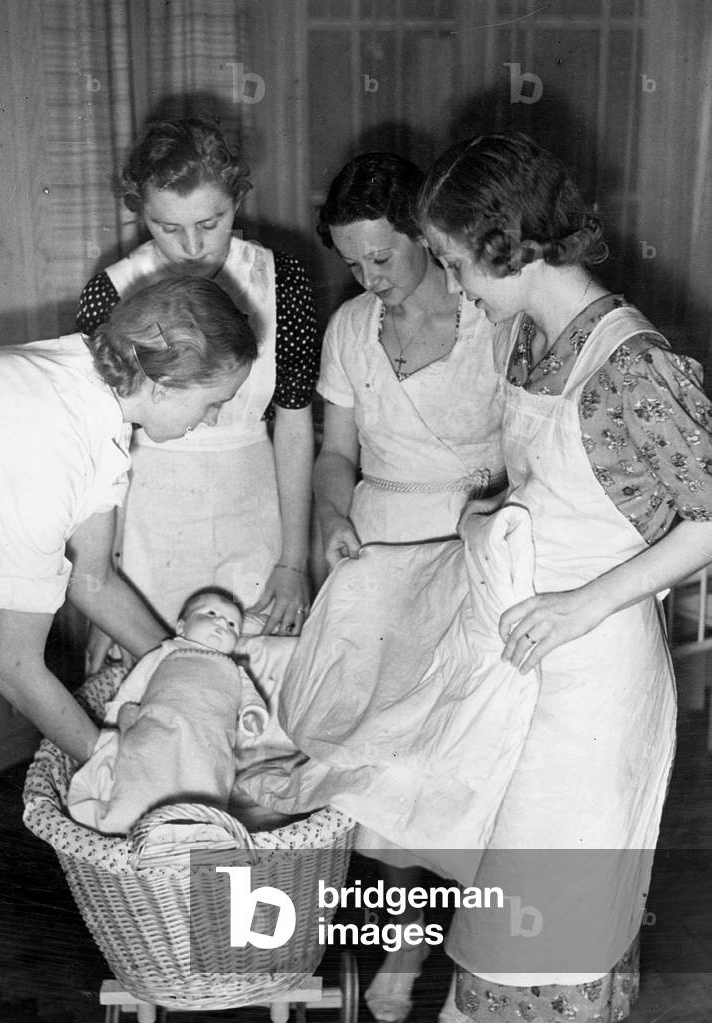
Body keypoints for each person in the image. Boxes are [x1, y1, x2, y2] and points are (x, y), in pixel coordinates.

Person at [415, 132, 712, 1021]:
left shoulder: (631, 363)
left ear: (509, 245)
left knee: (551, 918)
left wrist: (582, 602)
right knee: (502, 904)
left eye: (457, 262)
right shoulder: (532, 340)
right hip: (531, 661)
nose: (456, 285)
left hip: (593, 670)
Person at [0, 273, 258, 1023]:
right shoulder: (48, 434)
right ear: (165, 375)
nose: (212, 419)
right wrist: (119, 767)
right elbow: (16, 669)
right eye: (211, 402)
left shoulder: (94, 401)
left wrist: (194, 671)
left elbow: (92, 577)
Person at [313, 153, 506, 1023]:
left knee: (447, 762)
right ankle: (375, 942)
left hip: (470, 557)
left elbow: (532, 459)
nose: (369, 277)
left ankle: (410, 947)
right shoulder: (351, 327)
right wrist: (328, 516)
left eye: (382, 256)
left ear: (427, 237)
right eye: (353, 262)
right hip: (377, 557)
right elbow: (334, 454)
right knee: (369, 764)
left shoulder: (492, 324)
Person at [77, 116, 318, 653]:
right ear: (140, 212)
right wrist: (104, 594)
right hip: (147, 523)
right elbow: (102, 450)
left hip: (257, 509)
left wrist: (293, 561)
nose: (192, 246)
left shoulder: (284, 282)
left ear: (237, 198)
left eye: (212, 222)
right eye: (167, 227)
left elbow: (296, 425)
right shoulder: (109, 293)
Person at [68, 587, 269, 834]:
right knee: (142, 776)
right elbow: (131, 690)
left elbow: (251, 699)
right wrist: (114, 724)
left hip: (208, 746)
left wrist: (252, 716)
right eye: (212, 613)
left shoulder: (235, 669)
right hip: (157, 733)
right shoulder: (166, 652)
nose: (221, 623)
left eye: (232, 624)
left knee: (206, 790)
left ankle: (198, 834)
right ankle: (124, 823)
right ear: (182, 627)